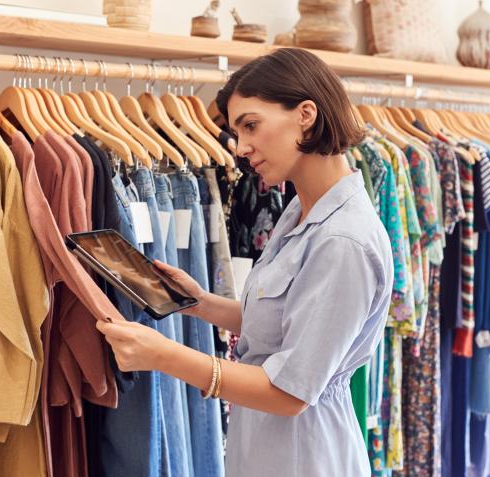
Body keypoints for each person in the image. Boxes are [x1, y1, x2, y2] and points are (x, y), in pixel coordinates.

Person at [96, 47, 393, 476]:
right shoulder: (300, 211)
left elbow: (290, 392)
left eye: (251, 125)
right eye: (237, 131)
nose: (241, 146)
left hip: (304, 455)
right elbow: (283, 322)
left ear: (306, 114)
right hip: (267, 446)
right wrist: (199, 302)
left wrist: (164, 356)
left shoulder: (342, 241)